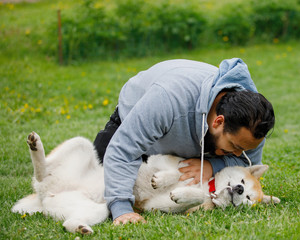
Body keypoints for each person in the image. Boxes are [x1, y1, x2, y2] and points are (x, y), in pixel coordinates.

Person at [93, 58, 275, 225]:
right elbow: (123, 149)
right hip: (136, 118)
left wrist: (213, 165)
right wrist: (121, 209)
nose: (238, 154)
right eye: (235, 147)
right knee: (98, 180)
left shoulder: (252, 123)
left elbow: (245, 164)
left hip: (192, 140)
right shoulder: (167, 99)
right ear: (218, 122)